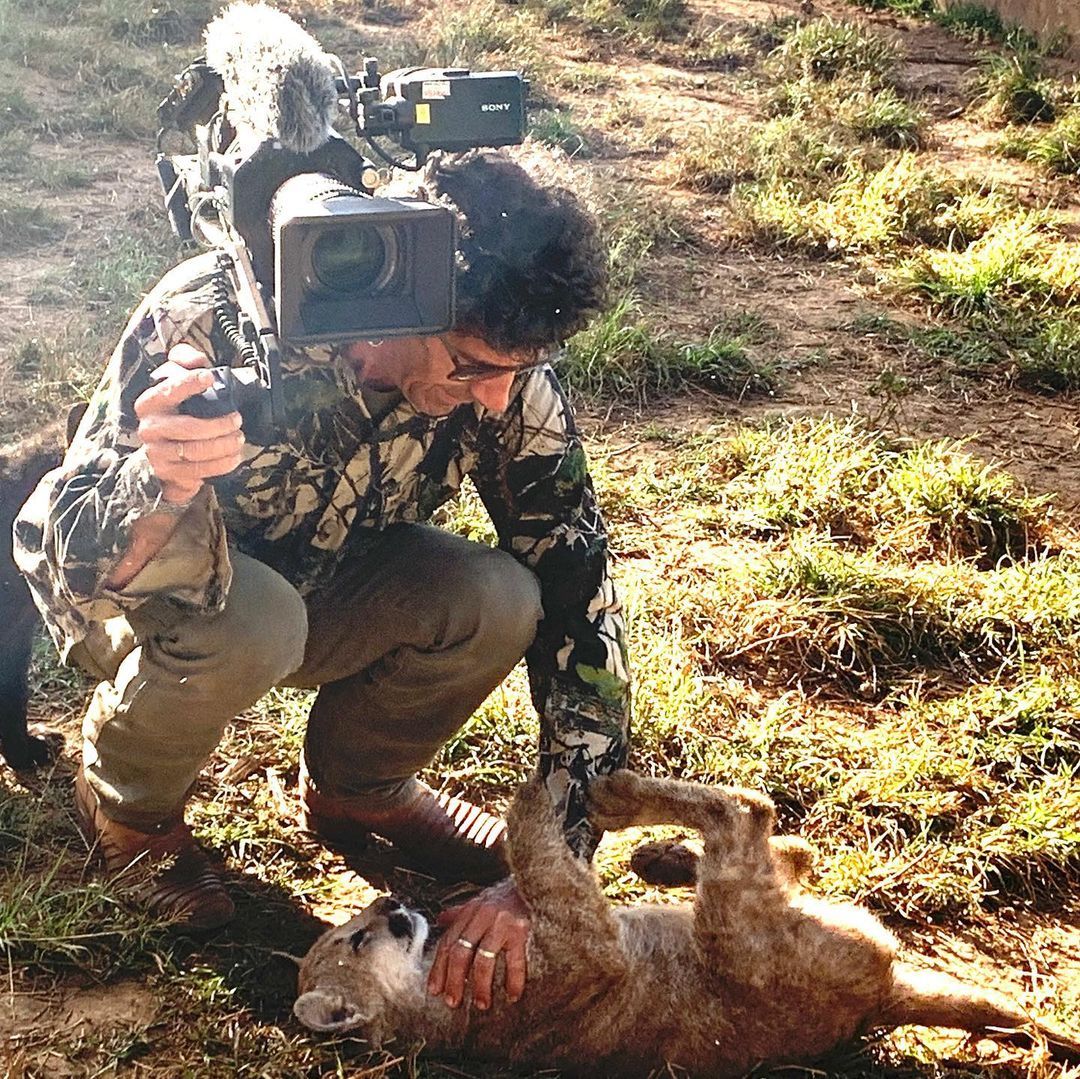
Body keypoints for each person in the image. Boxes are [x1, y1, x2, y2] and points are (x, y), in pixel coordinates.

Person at [14, 150, 629, 1013]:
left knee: (499, 597)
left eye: (515, 372)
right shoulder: (212, 317)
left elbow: (581, 593)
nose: (495, 399)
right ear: (399, 306)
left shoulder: (507, 375)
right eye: (470, 368)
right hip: (166, 605)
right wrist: (160, 479)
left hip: (330, 587)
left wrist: (555, 866)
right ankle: (127, 805)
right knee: (259, 618)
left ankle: (358, 791)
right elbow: (66, 566)